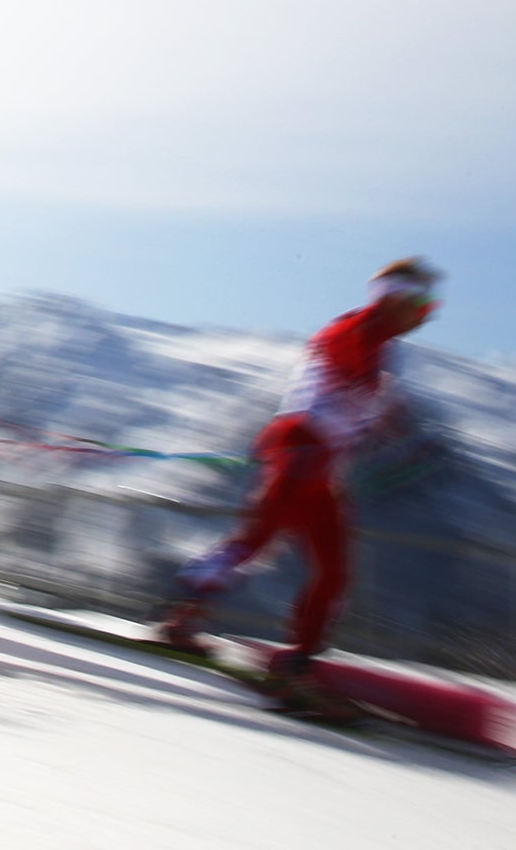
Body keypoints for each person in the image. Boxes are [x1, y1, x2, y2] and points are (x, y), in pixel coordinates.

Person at [157, 258, 443, 708]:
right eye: (424, 300)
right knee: (258, 542)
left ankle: (299, 661)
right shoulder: (359, 329)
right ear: (397, 297)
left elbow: (362, 395)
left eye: (433, 302)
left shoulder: (381, 342)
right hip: (301, 449)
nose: (431, 311)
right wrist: (385, 410)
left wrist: (392, 422)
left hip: (320, 463)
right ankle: (182, 620)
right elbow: (346, 361)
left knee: (330, 569)